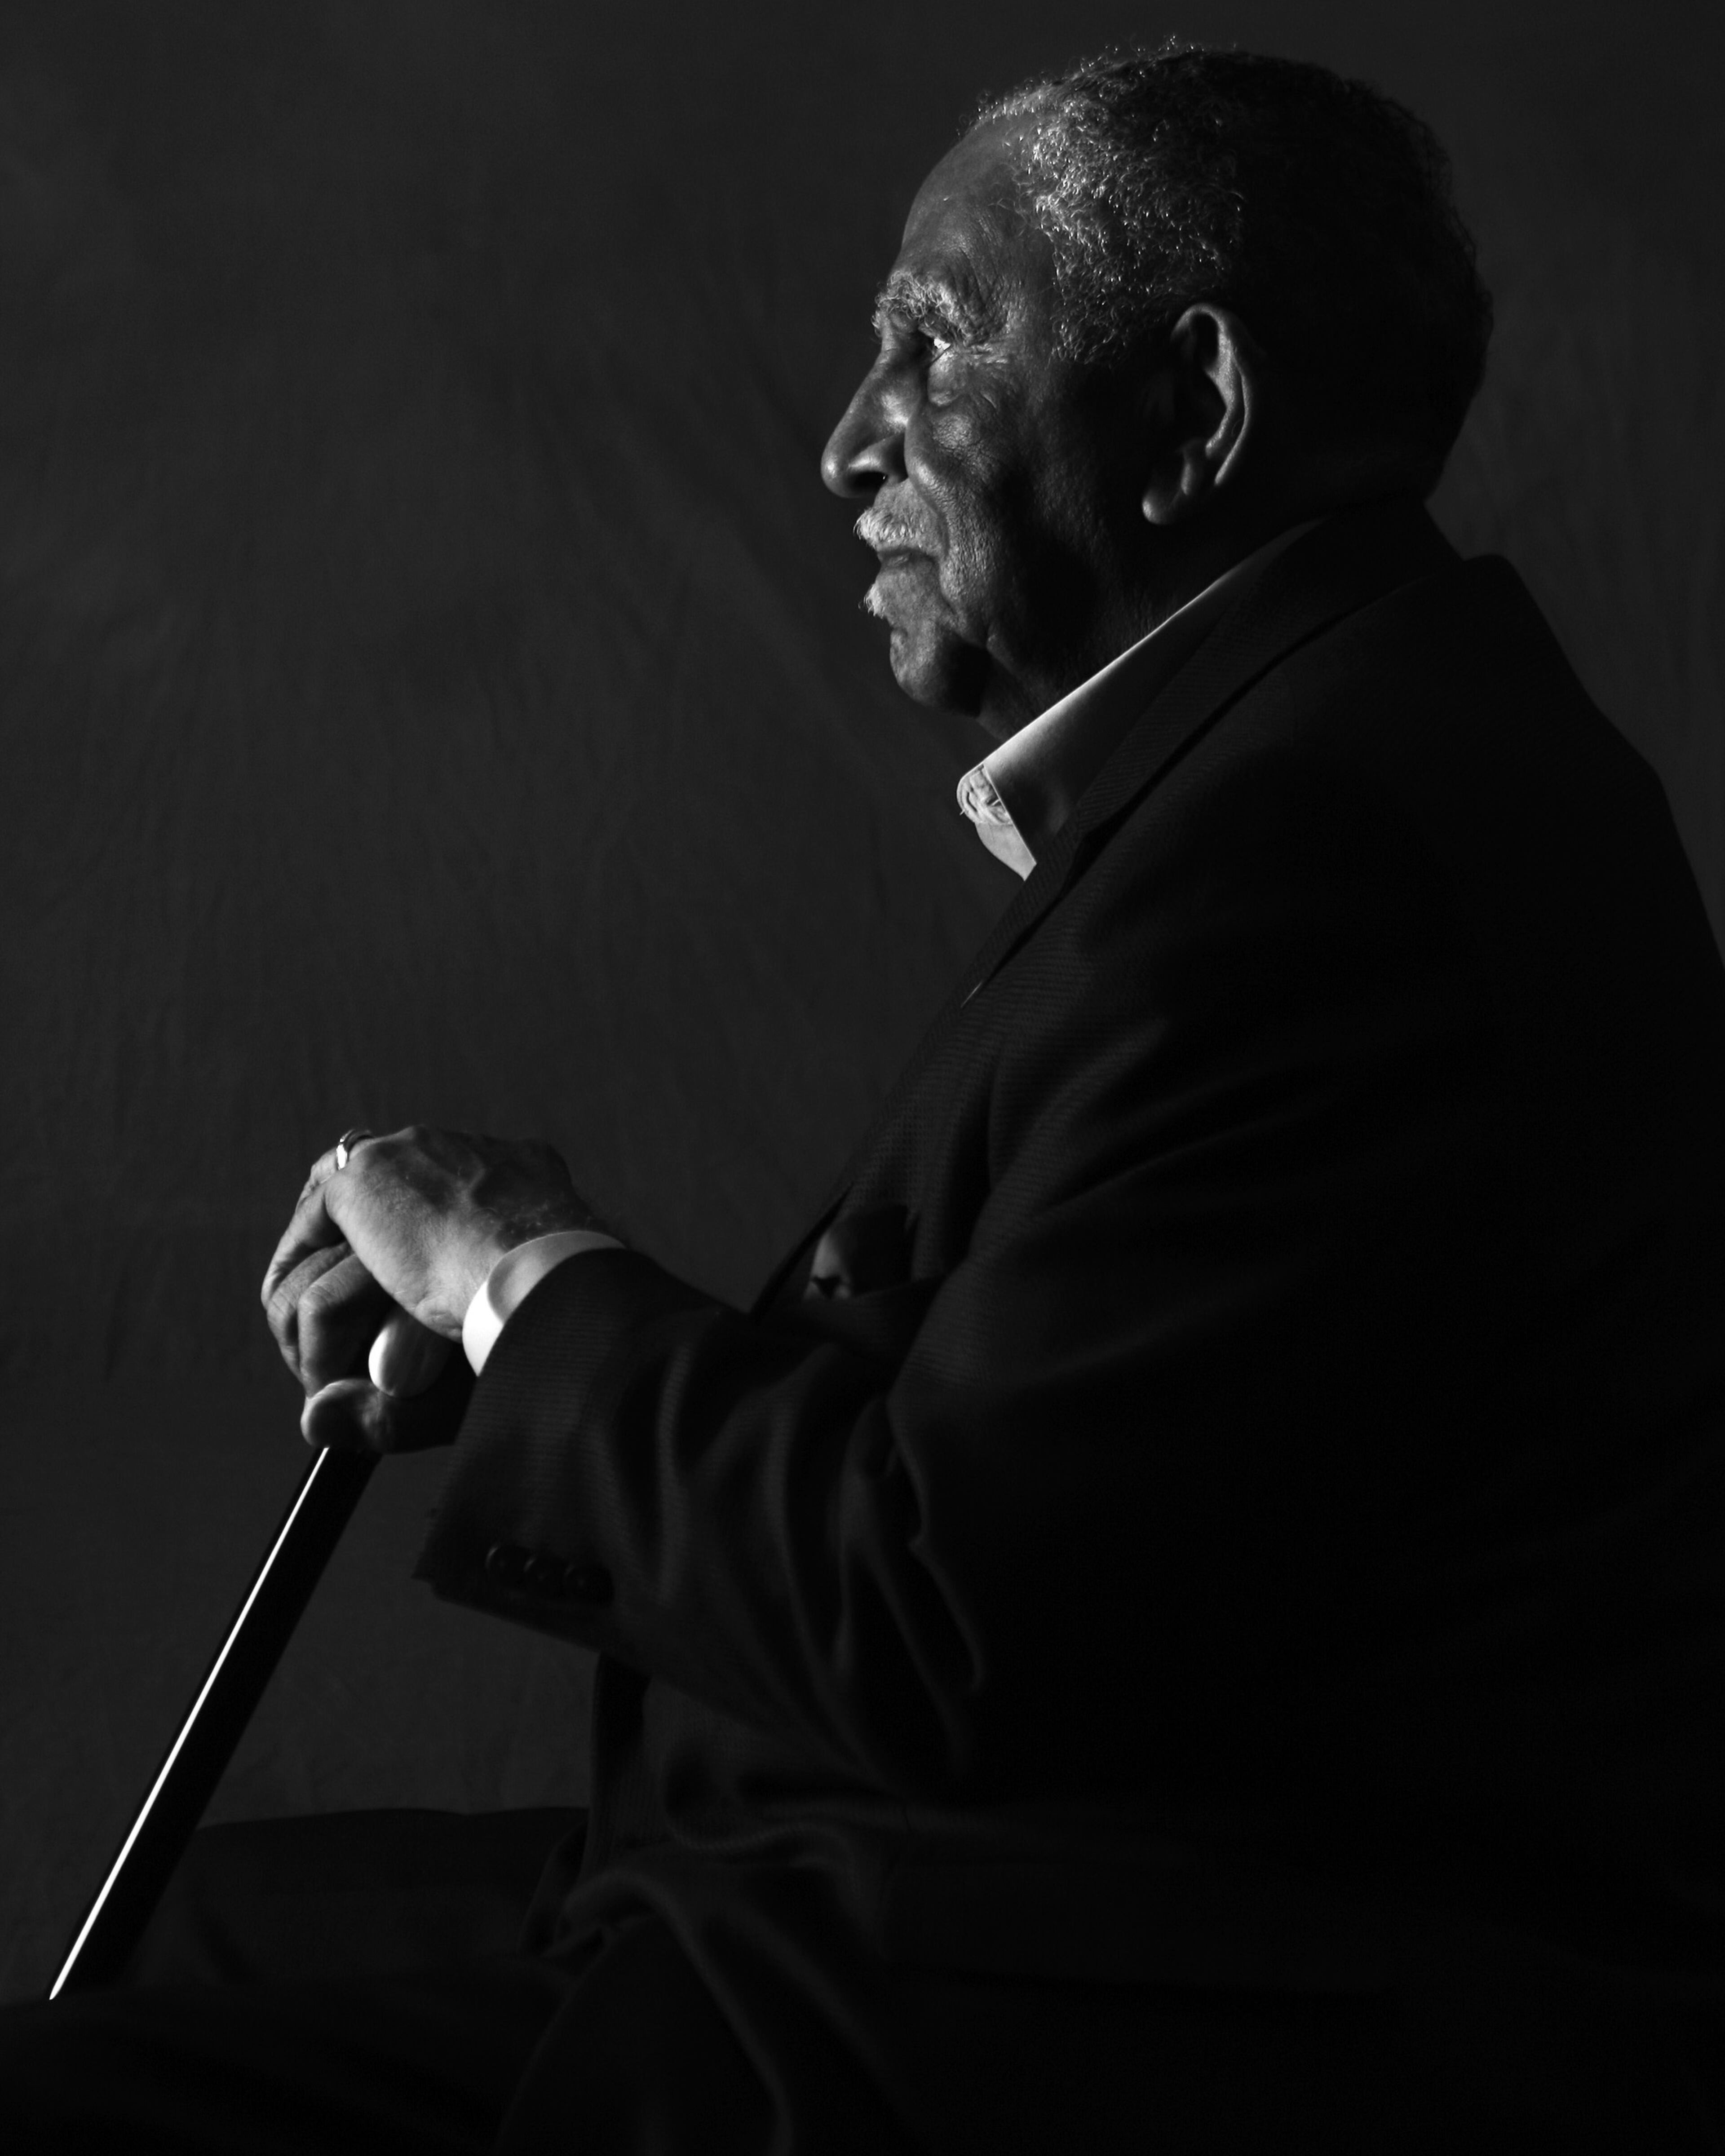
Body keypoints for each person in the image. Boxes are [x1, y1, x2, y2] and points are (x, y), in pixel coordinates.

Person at [8, 40, 1725, 2154]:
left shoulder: (1327, 859)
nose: (844, 446)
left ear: (1195, 414)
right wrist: (512, 1330)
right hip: (985, 1908)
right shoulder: (1316, 772)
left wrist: (516, 1280)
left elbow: (939, 1616)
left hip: (1132, 2020)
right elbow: (1050, 1505)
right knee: (196, 1922)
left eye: (929, 338)